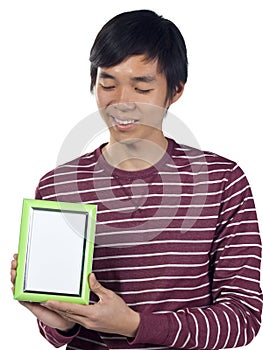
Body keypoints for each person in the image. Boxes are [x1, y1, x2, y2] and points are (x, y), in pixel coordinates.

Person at [11, 9, 262, 349]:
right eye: (108, 84)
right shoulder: (58, 185)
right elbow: (57, 323)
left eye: (142, 87)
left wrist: (135, 325)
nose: (121, 103)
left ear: (175, 91)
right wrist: (61, 322)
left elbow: (243, 317)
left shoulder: (222, 181)